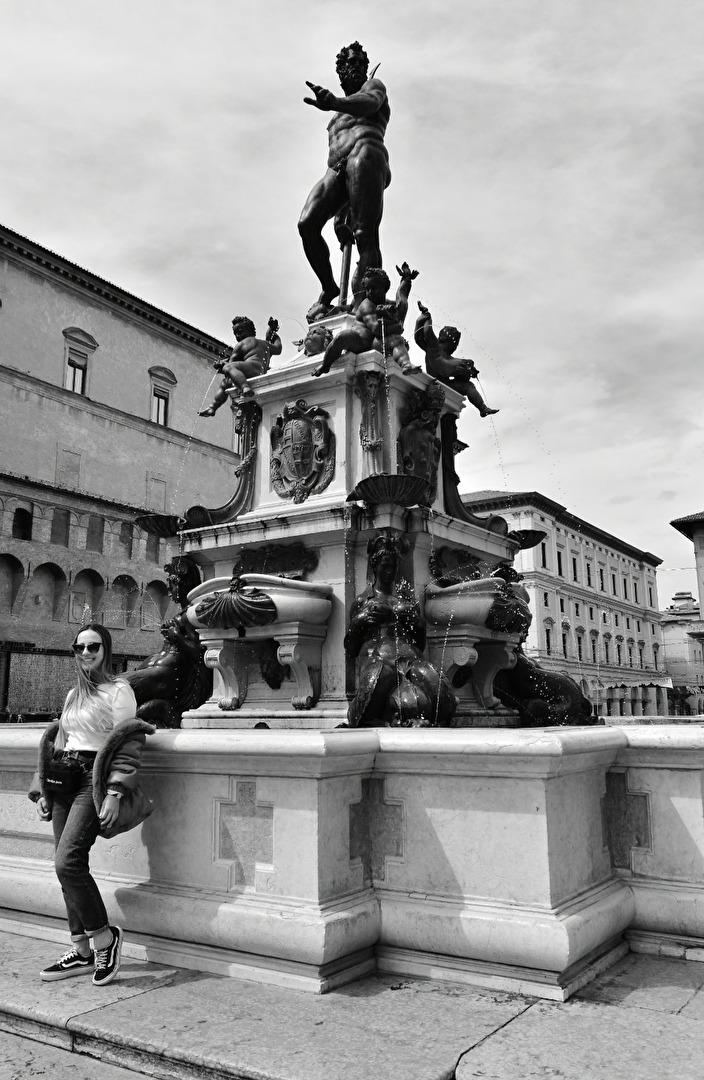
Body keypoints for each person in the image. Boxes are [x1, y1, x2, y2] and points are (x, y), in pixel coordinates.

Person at [29, 624, 154, 985]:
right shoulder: (74, 695)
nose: (86, 652)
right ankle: (81, 950)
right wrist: (43, 789)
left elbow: (128, 742)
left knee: (67, 862)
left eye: (93, 646)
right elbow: (59, 743)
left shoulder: (120, 690)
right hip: (64, 780)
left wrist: (114, 792)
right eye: (79, 647)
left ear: (106, 649)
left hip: (91, 780)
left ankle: (104, 938)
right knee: (65, 866)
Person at [299, 42, 391, 320]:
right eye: (350, 63)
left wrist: (335, 102)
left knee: (365, 235)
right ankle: (329, 287)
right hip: (337, 169)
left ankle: (366, 302)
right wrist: (341, 213)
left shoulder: (373, 87)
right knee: (307, 224)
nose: (356, 67)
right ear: (340, 70)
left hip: (366, 153)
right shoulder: (336, 114)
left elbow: (370, 103)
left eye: (361, 62)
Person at [312, 264, 420, 377]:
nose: (370, 292)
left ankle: (406, 365)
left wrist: (406, 280)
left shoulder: (388, 304)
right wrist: (397, 327)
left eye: (374, 288)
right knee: (341, 337)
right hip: (358, 341)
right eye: (367, 289)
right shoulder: (367, 305)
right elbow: (376, 329)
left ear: (385, 287)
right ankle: (325, 365)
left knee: (396, 339)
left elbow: (402, 298)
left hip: (374, 343)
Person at [414, 302, 499, 418]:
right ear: (447, 340)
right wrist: (426, 317)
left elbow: (455, 369)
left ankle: (482, 408)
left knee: (468, 386)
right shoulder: (434, 348)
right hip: (434, 385)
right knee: (466, 376)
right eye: (455, 343)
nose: (456, 346)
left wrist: (467, 371)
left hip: (445, 385)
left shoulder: (450, 358)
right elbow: (425, 333)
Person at [199, 316, 281, 416]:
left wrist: (221, 365)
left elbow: (231, 365)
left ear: (250, 330)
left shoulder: (241, 344)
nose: (237, 336)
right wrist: (275, 336)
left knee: (227, 371)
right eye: (235, 334)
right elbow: (278, 349)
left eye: (240, 332)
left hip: (251, 369)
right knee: (226, 383)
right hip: (260, 371)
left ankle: (244, 387)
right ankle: (212, 407)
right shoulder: (265, 344)